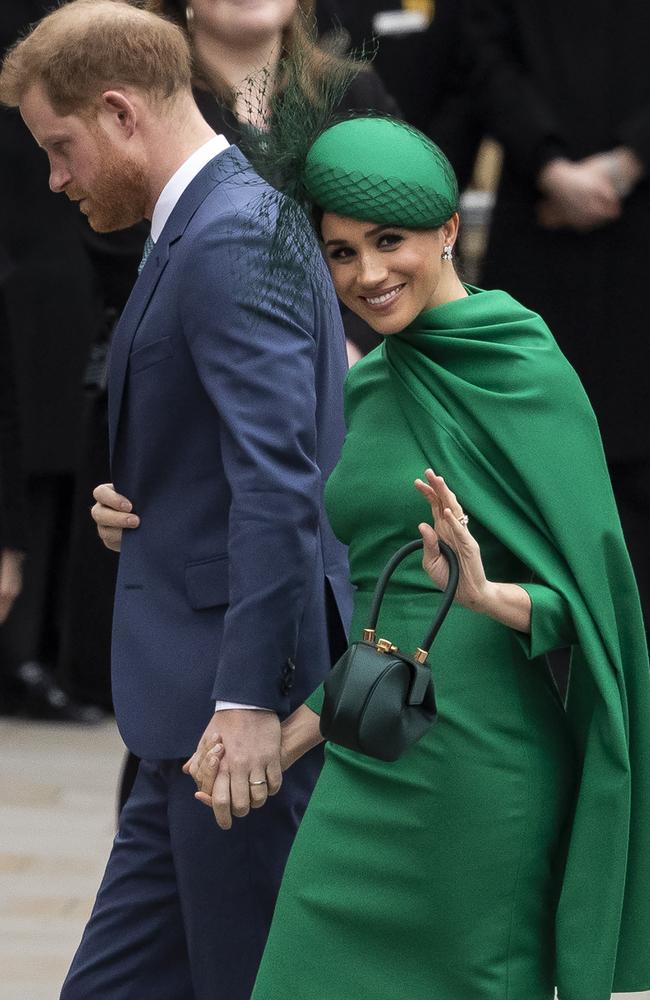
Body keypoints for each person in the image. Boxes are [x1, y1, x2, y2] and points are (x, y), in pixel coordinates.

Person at [194, 117, 650, 999]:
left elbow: (596, 607)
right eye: (340, 252)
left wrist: (492, 596)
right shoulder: (369, 383)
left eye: (390, 240)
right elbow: (381, 616)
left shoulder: (524, 368)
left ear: (448, 231)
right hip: (373, 757)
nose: (368, 274)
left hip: (484, 775)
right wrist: (284, 743)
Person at [0, 3, 352, 998]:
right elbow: (229, 452)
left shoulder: (228, 237)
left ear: (117, 112)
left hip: (229, 717)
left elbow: (282, 483)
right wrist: (138, 500)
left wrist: (246, 704)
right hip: (186, 725)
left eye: (60, 148)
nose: (57, 178)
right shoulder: (207, 220)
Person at [465, 0, 650, 656]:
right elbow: (481, 51)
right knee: (536, 457)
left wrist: (627, 162)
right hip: (537, 222)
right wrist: (549, 164)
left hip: (630, 221)